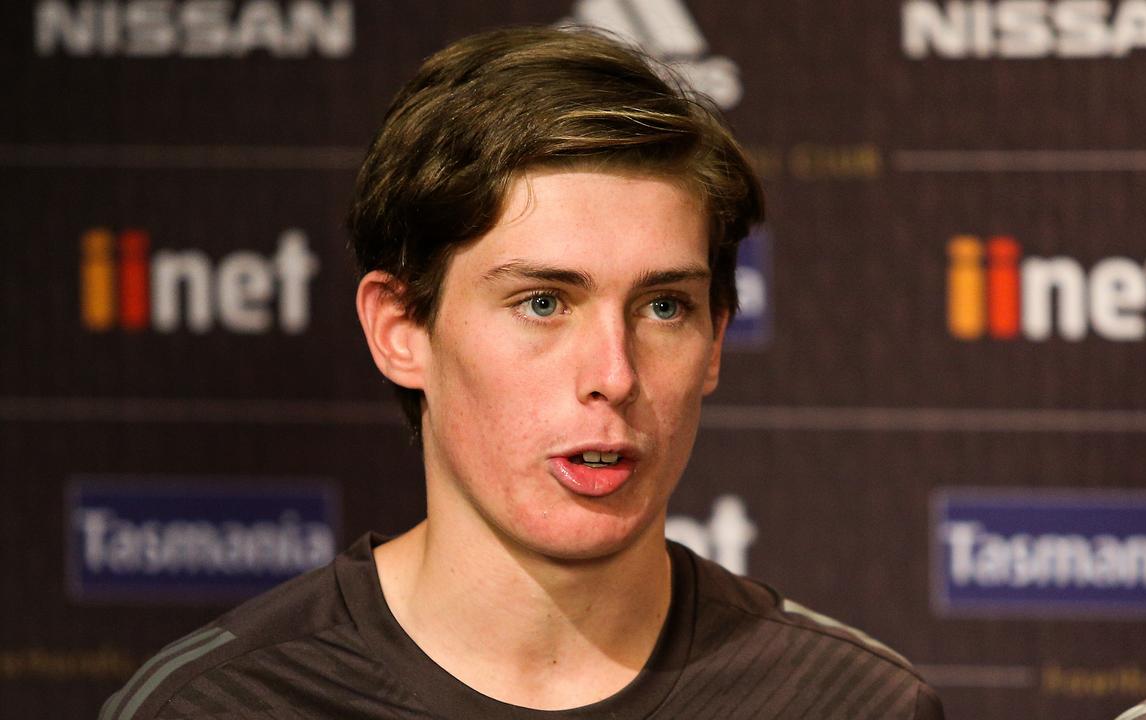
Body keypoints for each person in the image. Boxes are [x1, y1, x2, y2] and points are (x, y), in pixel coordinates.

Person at [99, 26, 943, 719]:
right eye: (543, 302)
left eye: (663, 308)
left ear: (717, 339)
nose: (613, 375)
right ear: (402, 330)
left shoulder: (851, 707)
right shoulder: (220, 709)